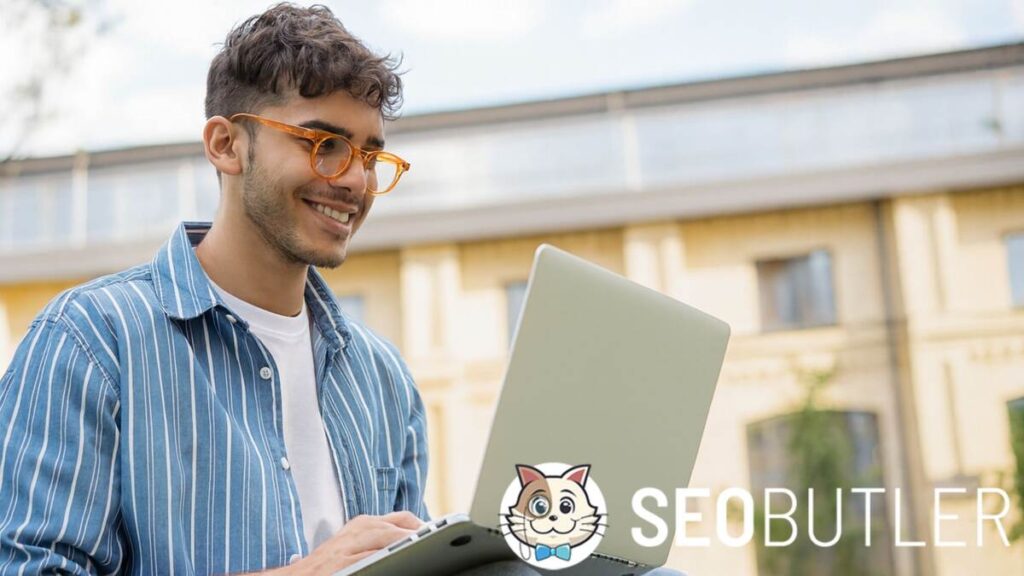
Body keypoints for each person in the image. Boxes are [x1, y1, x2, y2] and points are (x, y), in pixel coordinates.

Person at [0, 4, 682, 575]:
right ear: (226, 145)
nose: (355, 180)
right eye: (323, 144)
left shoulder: (383, 380)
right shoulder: (91, 342)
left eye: (369, 153)